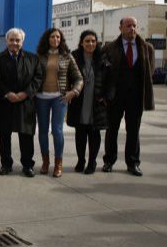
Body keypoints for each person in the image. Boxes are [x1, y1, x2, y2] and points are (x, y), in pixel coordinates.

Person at [102, 17, 155, 176]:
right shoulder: (109, 48)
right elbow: (104, 73)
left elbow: (149, 72)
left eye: (134, 26)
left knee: (133, 131)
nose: (132, 29)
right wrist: (104, 94)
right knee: (112, 130)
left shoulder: (147, 48)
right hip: (115, 97)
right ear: (120, 28)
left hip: (136, 97)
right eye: (128, 26)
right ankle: (109, 161)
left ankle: (133, 163)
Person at [35, 28, 83, 178]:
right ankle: (45, 162)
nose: (55, 39)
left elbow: (79, 78)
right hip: (41, 98)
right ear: (47, 39)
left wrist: (73, 92)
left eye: (58, 37)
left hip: (59, 98)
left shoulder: (67, 56)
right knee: (42, 131)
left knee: (57, 131)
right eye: (52, 37)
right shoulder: (39, 56)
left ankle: (58, 164)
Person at [0, 28, 43, 177]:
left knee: (26, 135)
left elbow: (38, 79)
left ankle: (27, 165)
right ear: (6, 41)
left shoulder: (33, 58)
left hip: (25, 103)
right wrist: (7, 93)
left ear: (22, 42)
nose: (14, 43)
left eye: (18, 40)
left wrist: (25, 94)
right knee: (5, 136)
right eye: (12, 40)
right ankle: (6, 164)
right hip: (5, 102)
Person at [67, 30, 108, 174]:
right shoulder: (74, 57)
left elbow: (110, 79)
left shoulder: (102, 58)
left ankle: (92, 162)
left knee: (94, 133)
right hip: (79, 100)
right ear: (81, 43)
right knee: (80, 133)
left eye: (93, 41)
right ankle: (81, 160)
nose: (90, 44)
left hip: (96, 101)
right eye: (87, 41)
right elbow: (67, 76)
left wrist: (106, 96)